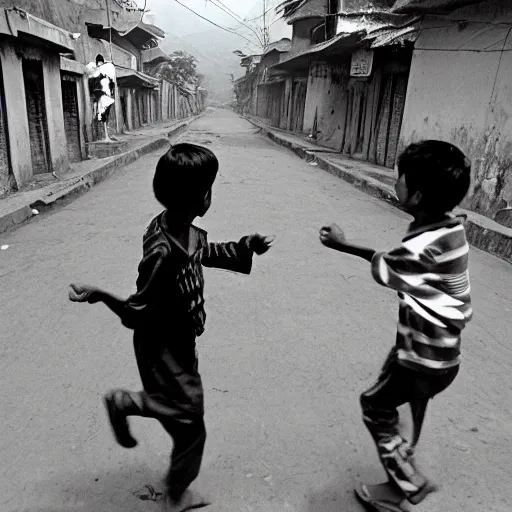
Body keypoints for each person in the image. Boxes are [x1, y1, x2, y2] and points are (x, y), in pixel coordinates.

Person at [69, 143, 274, 512]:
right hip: (160, 344)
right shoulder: (163, 252)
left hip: (180, 340)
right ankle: (171, 482)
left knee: (184, 415)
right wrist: (100, 294)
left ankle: (170, 475)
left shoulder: (183, 230)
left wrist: (246, 247)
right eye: (209, 188)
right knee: (191, 421)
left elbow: (207, 253)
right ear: (203, 199)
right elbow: (137, 309)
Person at [319, 140, 473, 512]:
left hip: (420, 356)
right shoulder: (453, 229)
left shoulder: (421, 247)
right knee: (410, 409)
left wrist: (343, 244)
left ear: (417, 195)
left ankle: (407, 483)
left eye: (400, 177)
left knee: (375, 406)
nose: (396, 181)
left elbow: (385, 267)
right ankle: (397, 481)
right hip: (442, 353)